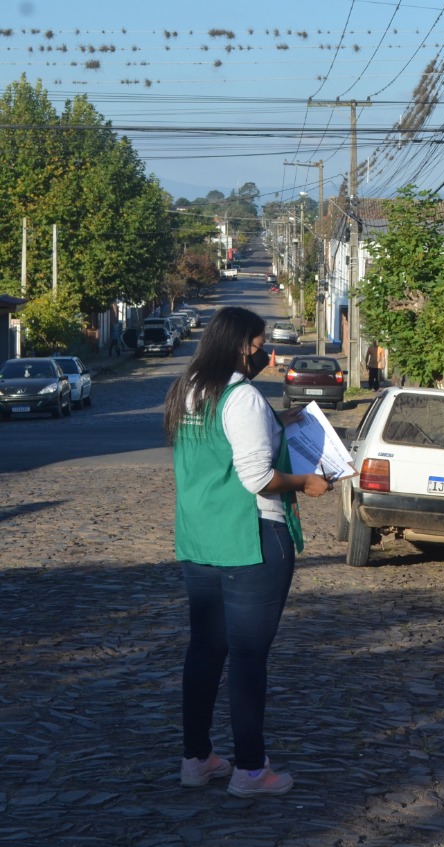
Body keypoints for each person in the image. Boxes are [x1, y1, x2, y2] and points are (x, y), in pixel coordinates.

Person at [161, 306, 333, 797]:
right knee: (248, 658)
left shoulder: (187, 390)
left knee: (205, 651)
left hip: (199, 539)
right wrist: (307, 482)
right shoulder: (243, 398)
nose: (267, 353)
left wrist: (279, 422)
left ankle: (196, 759)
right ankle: (251, 770)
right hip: (252, 539)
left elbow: (224, 444)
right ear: (242, 346)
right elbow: (257, 476)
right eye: (261, 345)